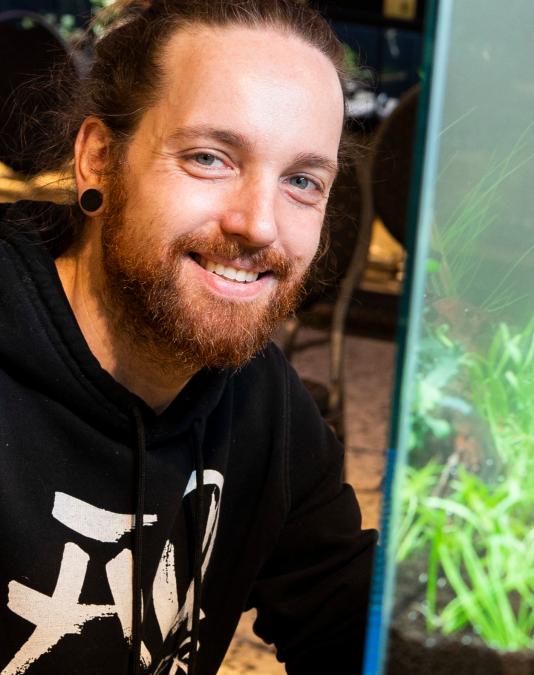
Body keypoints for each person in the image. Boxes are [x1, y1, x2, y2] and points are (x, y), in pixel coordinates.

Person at [0, 1, 377, 673]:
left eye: (301, 181)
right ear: (98, 159)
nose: (259, 224)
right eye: (210, 157)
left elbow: (349, 619)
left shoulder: (265, 403)